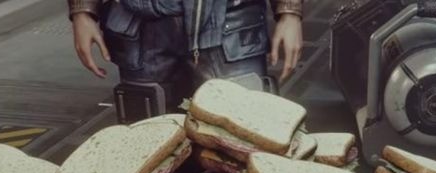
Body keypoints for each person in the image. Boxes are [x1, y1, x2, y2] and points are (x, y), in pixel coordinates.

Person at [69, 0, 303, 122]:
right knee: (147, 153)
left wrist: (290, 11)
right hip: (142, 29)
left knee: (244, 142)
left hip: (230, 24)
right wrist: (82, 11)